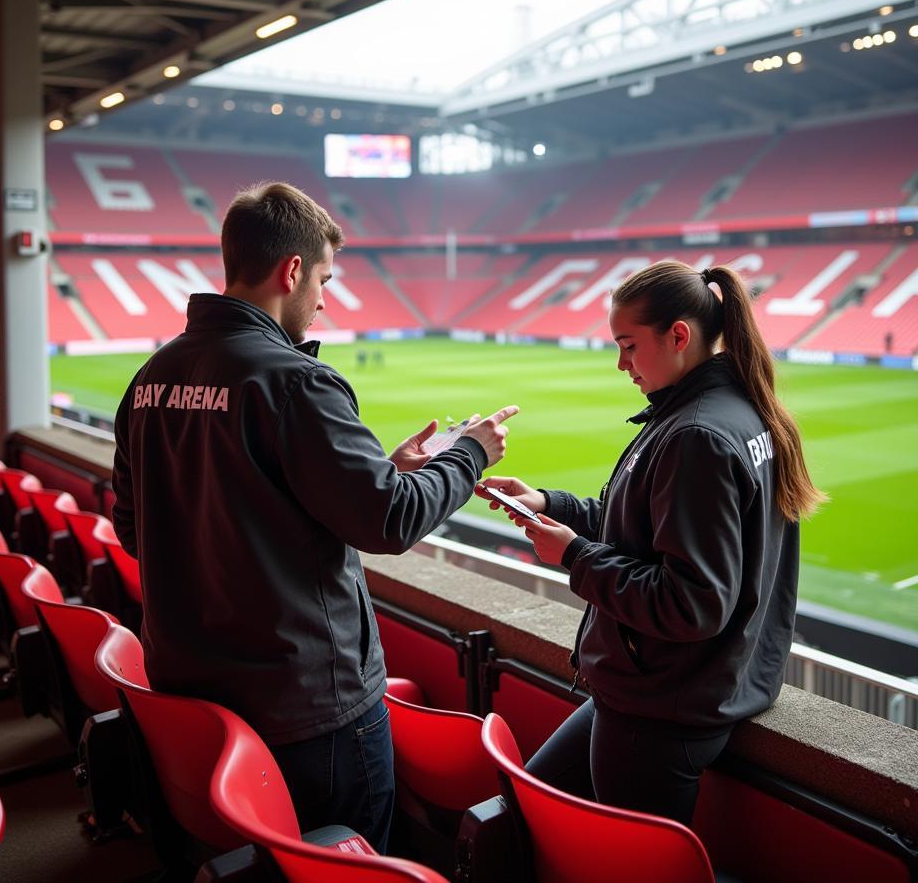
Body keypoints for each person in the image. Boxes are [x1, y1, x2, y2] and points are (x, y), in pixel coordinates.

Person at [112, 181, 517, 852]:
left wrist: (374, 474)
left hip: (194, 690)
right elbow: (389, 522)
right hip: (308, 711)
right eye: (324, 278)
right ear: (292, 270)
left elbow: (136, 528)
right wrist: (469, 454)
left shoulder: (151, 376)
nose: (326, 298)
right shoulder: (296, 380)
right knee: (345, 861)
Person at [478, 259, 824, 826]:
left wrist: (572, 555)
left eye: (629, 345)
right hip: (666, 695)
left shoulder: (697, 436)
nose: (621, 364)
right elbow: (644, 532)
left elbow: (691, 603)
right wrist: (550, 505)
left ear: (679, 336)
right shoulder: (726, 413)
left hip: (663, 712)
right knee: (518, 810)